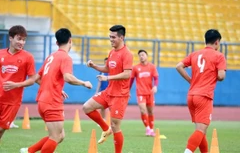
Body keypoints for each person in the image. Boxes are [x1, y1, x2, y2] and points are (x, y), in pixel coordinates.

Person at [20, 28, 92, 153]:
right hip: (52, 102)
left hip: (43, 100)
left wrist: (54, 87)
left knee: (60, 136)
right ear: (70, 40)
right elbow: (68, 77)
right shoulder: (66, 58)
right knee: (56, 136)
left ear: (57, 43)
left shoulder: (51, 57)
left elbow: (37, 78)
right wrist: (84, 83)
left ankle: (29, 151)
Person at [83, 25, 133, 153]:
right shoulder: (112, 52)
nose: (110, 39)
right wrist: (94, 66)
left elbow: (127, 74)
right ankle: (105, 128)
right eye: (110, 37)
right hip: (109, 92)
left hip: (120, 95)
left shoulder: (127, 54)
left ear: (122, 37)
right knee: (87, 107)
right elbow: (107, 69)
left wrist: (108, 78)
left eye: (113, 37)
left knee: (116, 126)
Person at [176, 29, 226, 153]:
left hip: (192, 95)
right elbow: (221, 76)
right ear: (217, 42)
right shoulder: (219, 56)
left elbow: (178, 66)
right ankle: (187, 151)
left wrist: (190, 80)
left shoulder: (195, 54)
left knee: (201, 130)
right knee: (200, 130)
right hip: (204, 96)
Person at [0, 25, 36, 140]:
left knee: (1, 129)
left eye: (24, 40)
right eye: (19, 39)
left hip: (12, 101)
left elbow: (32, 79)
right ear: (11, 38)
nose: (22, 42)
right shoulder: (1, 54)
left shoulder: (28, 57)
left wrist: (16, 85)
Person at [130, 49, 159, 137]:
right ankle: (148, 128)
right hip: (141, 93)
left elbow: (156, 78)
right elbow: (131, 80)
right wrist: (127, 90)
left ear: (146, 56)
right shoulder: (136, 68)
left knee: (150, 111)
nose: (141, 56)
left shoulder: (152, 67)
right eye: (140, 55)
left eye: (143, 54)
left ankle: (151, 128)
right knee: (143, 110)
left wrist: (155, 86)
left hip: (150, 93)